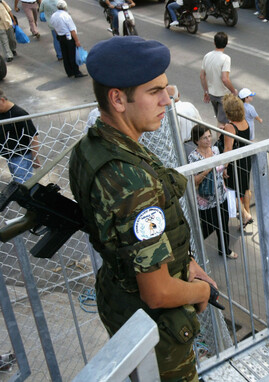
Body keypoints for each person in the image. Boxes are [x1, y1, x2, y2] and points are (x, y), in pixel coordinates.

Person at [68, 36, 216, 381]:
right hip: (155, 327)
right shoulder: (129, 179)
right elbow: (158, 291)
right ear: (117, 98)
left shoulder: (94, 146)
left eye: (166, 88)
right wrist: (203, 291)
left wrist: (187, 262)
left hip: (121, 300)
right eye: (154, 92)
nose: (168, 99)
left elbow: (128, 239)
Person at [188, 125, 238, 259]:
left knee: (224, 224)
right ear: (196, 140)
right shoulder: (193, 157)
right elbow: (195, 181)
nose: (208, 140)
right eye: (204, 138)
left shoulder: (215, 149)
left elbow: (219, 168)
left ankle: (224, 250)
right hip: (206, 201)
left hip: (221, 195)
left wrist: (223, 171)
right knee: (208, 227)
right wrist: (208, 167)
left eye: (209, 136)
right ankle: (191, 250)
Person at [219, 93, 253, 227]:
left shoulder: (230, 127)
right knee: (245, 188)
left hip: (234, 163)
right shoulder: (245, 122)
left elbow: (228, 149)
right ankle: (247, 212)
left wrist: (224, 167)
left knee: (230, 190)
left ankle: (245, 215)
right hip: (245, 160)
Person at [0, 89, 40, 183]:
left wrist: (35, 158)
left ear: (2, 100)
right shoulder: (2, 112)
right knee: (18, 182)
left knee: (23, 183)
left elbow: (33, 137)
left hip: (21, 156)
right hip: (9, 156)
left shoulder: (20, 114)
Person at [200, 32, 236, 129]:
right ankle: (221, 143)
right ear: (226, 43)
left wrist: (206, 92)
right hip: (223, 95)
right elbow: (225, 79)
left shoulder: (207, 56)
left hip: (212, 94)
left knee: (219, 119)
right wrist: (233, 91)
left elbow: (202, 76)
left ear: (214, 43)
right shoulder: (225, 59)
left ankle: (220, 142)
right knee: (222, 123)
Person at [49, 0, 86, 78]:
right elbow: (72, 30)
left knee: (65, 55)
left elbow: (54, 28)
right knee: (72, 55)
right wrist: (77, 41)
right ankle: (76, 72)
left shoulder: (53, 15)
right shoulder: (66, 16)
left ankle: (69, 72)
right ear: (65, 7)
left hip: (60, 37)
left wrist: (58, 36)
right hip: (68, 37)